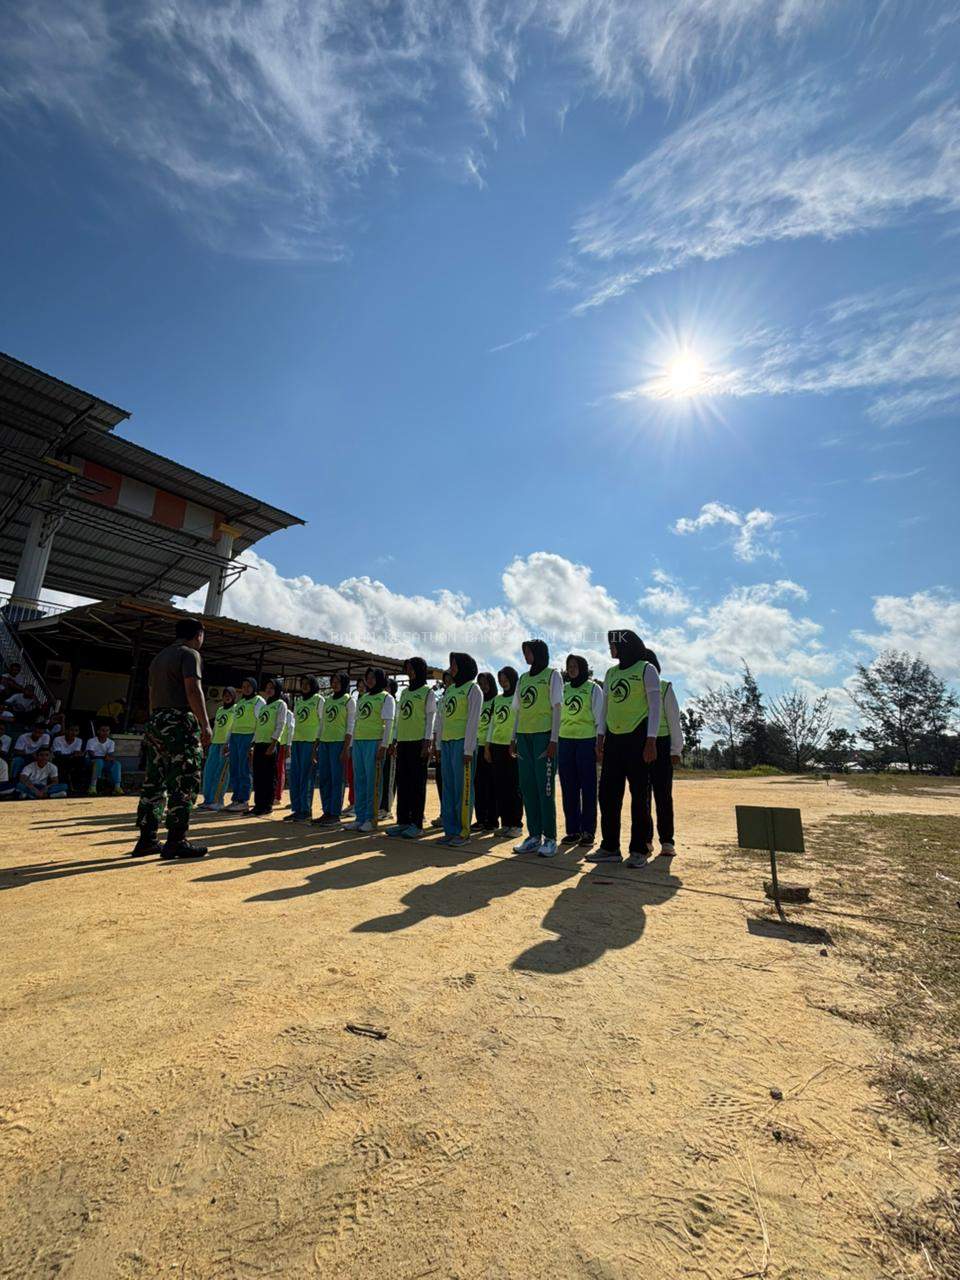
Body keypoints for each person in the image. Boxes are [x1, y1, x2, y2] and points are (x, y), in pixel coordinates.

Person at [132, 616, 211, 859]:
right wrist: (205, 724)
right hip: (179, 723)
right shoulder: (189, 654)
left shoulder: (159, 658)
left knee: (154, 782)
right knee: (184, 780)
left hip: (156, 721)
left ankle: (147, 839)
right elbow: (193, 690)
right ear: (197, 634)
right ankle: (176, 840)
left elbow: (151, 693)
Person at [589, 629, 662, 867]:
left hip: (638, 738)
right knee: (608, 795)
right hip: (614, 739)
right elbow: (605, 707)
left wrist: (651, 740)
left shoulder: (646, 670)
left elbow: (654, 708)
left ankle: (639, 849)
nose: (611, 649)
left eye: (614, 644)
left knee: (640, 796)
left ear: (626, 646)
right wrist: (600, 736)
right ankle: (610, 847)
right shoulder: (610, 673)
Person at [511, 639, 563, 858]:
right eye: (524, 652)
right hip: (524, 737)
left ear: (539, 653)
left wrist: (553, 740)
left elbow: (557, 708)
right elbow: (518, 710)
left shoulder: (553, 675)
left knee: (545, 789)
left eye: (529, 651)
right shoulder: (522, 679)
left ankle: (550, 838)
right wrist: (513, 737)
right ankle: (534, 836)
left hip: (544, 738)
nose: (526, 655)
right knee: (528, 787)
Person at [386, 657, 436, 840]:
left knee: (417, 784)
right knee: (403, 782)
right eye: (407, 669)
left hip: (418, 743)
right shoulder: (405, 693)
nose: (409, 672)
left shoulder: (427, 692)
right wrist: (394, 740)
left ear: (420, 670)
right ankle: (403, 822)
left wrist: (427, 741)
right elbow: (399, 718)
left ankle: (417, 824)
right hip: (404, 742)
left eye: (412, 669)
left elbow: (430, 718)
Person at [437, 652, 482, 848]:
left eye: (454, 665)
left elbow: (473, 721)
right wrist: (438, 744)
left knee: (462, 789)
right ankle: (450, 829)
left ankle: (463, 832)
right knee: (448, 789)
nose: (451, 669)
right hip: (447, 743)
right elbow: (441, 718)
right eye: (451, 665)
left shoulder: (473, 689)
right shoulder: (450, 690)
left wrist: (469, 749)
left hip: (463, 744)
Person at [559, 655, 604, 849]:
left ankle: (588, 831)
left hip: (586, 741)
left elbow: (600, 718)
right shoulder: (563, 689)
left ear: (583, 668)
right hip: (565, 741)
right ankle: (573, 830)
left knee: (587, 788)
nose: (571, 669)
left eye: (575, 666)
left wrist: (598, 743)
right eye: (569, 666)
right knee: (568, 787)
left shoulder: (593, 688)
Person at [642, 661, 682, 858]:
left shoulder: (665, 687)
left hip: (663, 744)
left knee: (663, 795)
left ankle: (667, 841)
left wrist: (676, 749)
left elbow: (674, 719)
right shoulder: (636, 689)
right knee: (642, 796)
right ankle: (646, 839)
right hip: (639, 745)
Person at [348, 668, 395, 833]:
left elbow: (388, 723)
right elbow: (356, 722)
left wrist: (384, 745)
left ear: (380, 680)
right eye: (367, 678)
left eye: (373, 678)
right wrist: (352, 744)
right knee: (359, 781)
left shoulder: (386, 698)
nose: (369, 680)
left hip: (374, 742)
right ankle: (359, 817)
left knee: (372, 782)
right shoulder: (363, 697)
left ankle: (371, 818)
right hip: (359, 742)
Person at [312, 671, 354, 826]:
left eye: (337, 681)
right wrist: (316, 745)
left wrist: (346, 748)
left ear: (344, 683)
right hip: (325, 743)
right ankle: (326, 811)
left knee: (337, 780)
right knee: (324, 779)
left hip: (339, 744)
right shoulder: (328, 700)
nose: (334, 684)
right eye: (333, 681)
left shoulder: (348, 700)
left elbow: (350, 726)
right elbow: (322, 724)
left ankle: (335, 814)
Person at [484, 666, 523, 838]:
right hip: (496, 746)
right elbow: (492, 724)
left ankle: (516, 824)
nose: (503, 682)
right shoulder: (497, 700)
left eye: (505, 678)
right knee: (500, 787)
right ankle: (505, 823)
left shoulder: (518, 697)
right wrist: (487, 746)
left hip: (512, 746)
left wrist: (514, 742)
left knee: (513, 786)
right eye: (500, 679)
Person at [245, 677, 286, 817]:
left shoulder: (280, 704)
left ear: (277, 690)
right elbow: (259, 725)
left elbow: (280, 725)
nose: (269, 690)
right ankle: (258, 804)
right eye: (267, 687)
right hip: (259, 744)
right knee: (258, 776)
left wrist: (273, 743)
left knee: (269, 776)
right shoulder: (264, 706)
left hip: (270, 744)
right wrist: (253, 744)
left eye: (272, 688)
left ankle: (267, 806)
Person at [286, 676, 323, 821]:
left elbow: (322, 722)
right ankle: (297, 808)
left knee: (307, 776)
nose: (305, 686)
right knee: (295, 776)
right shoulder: (299, 702)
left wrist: (316, 744)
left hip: (310, 741)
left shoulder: (319, 700)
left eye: (308, 684)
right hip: (297, 741)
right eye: (303, 684)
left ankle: (306, 810)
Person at [225, 677, 265, 812]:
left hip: (248, 737)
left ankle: (243, 800)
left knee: (244, 769)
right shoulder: (240, 703)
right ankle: (236, 798)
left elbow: (261, 723)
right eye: (244, 686)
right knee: (234, 769)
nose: (246, 688)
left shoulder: (258, 701)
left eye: (249, 686)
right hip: (235, 737)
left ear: (254, 687)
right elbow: (233, 723)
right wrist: (227, 741)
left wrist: (253, 742)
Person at [199, 687, 236, 811]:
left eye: (229, 695)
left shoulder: (235, 709)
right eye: (225, 694)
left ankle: (218, 801)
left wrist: (229, 743)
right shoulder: (220, 710)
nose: (227, 697)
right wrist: (210, 741)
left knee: (221, 774)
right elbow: (216, 727)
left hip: (226, 745)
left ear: (234, 697)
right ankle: (208, 800)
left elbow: (233, 727)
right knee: (209, 772)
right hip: (215, 744)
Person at [472, 672, 498, 833]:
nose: (483, 686)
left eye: (486, 683)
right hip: (476, 746)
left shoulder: (497, 700)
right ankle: (480, 818)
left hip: (490, 747)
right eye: (480, 683)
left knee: (491, 785)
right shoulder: (478, 702)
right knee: (478, 785)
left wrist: (488, 747)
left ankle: (492, 820)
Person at [379, 678, 399, 819]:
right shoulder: (380, 702)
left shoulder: (395, 704)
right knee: (380, 777)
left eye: (387, 687)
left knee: (389, 778)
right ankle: (379, 805)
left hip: (391, 744)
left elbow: (396, 726)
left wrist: (393, 743)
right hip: (380, 743)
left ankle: (387, 809)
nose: (385, 690)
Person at [86, 724, 123, 795]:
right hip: (90, 761)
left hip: (103, 761)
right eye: (103, 731)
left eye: (107, 731)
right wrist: (104, 757)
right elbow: (92, 755)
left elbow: (110, 755)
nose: (105, 732)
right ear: (98, 731)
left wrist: (109, 758)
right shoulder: (91, 741)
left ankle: (117, 787)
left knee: (117, 764)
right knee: (99, 761)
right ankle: (92, 787)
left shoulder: (111, 742)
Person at [52, 724, 85, 794]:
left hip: (70, 760)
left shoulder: (79, 740)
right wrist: (72, 755)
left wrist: (73, 755)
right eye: (71, 730)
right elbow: (57, 754)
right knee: (62, 762)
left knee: (80, 760)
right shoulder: (57, 739)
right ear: (66, 731)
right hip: (58, 760)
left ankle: (78, 786)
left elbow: (77, 754)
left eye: (76, 731)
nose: (73, 733)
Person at [275, 697, 295, 805]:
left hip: (282, 744)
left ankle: (278, 796)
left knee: (280, 769)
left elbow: (291, 730)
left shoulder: (289, 714)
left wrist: (288, 745)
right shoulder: (275, 712)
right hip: (275, 743)